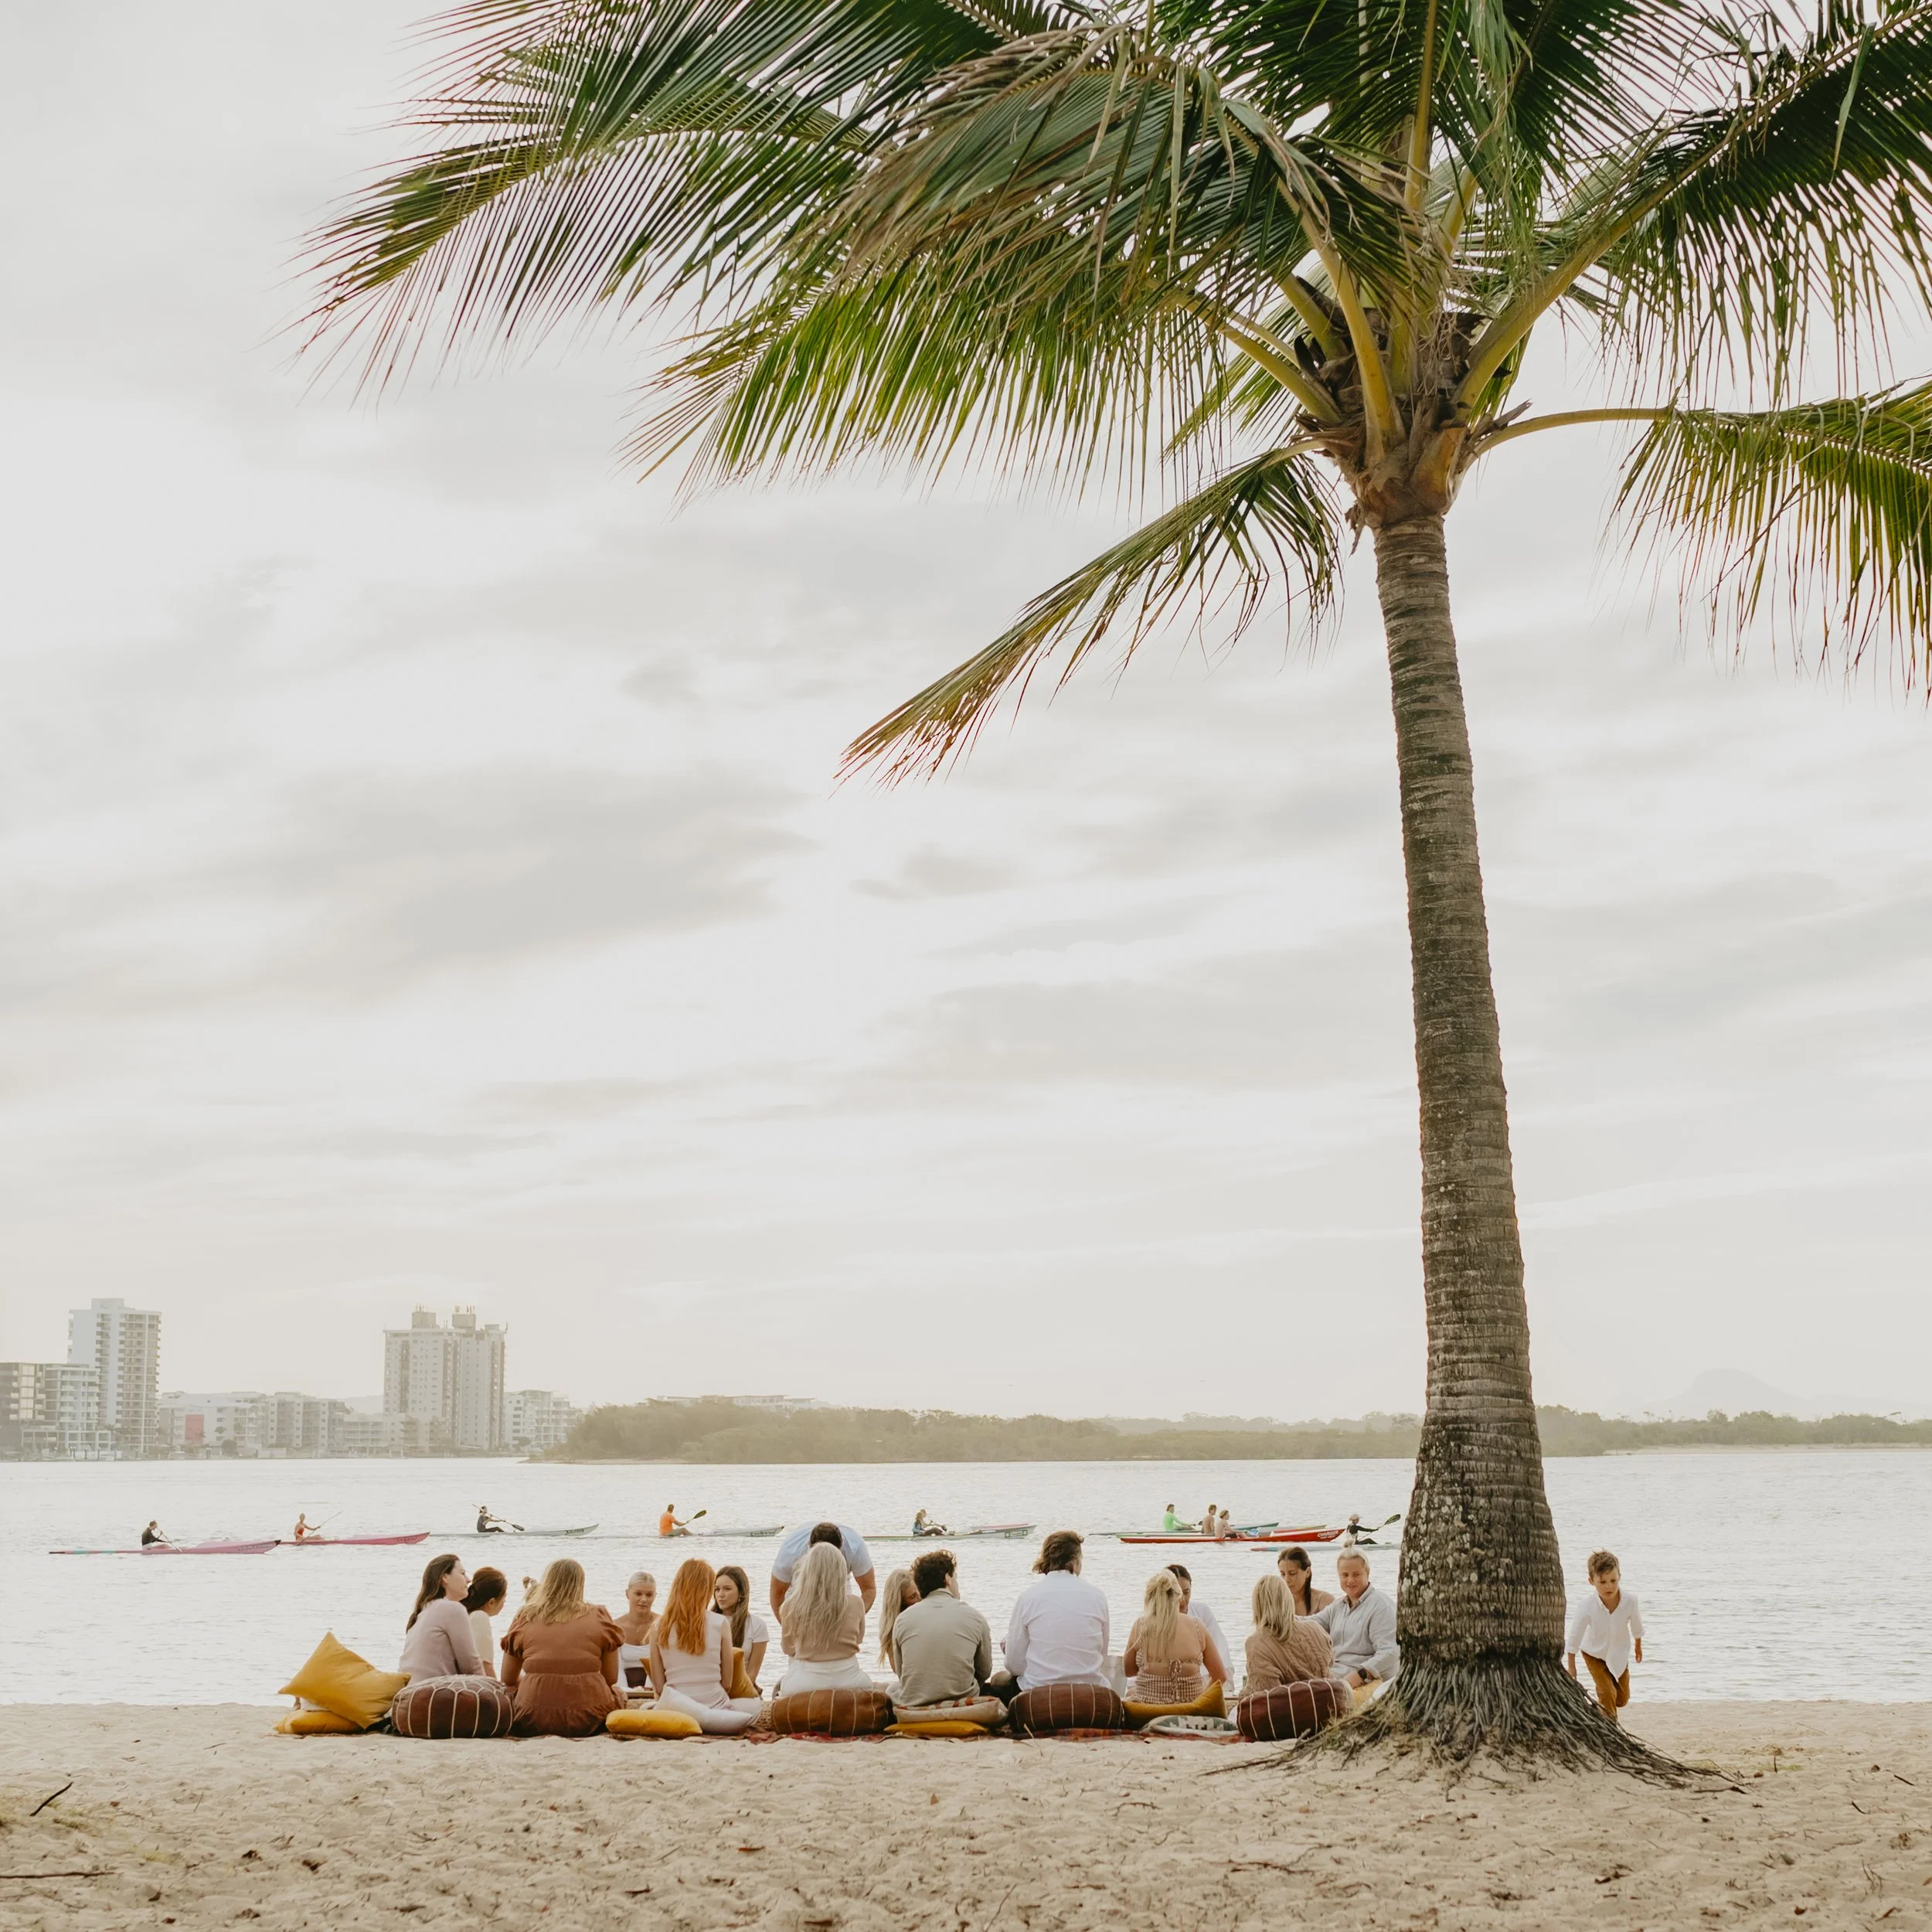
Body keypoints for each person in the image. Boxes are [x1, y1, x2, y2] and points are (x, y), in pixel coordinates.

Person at [499, 1558, 623, 1736]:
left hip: (532, 1716)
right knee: (617, 1693)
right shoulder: (599, 1615)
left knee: (511, 1692)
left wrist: (537, 1679)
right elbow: (610, 1678)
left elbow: (508, 1679)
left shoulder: (525, 1617)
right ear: (580, 1584)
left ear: (547, 1582)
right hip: (590, 1716)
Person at [989, 1530, 1111, 1702]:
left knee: (998, 1681)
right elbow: (1101, 1656)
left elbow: (1014, 1665)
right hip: (1090, 1691)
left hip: (1037, 1693)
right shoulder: (1098, 1596)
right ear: (1075, 1561)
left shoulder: (1028, 1597)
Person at [651, 1557, 764, 1733]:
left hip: (676, 1708)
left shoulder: (658, 1626)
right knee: (754, 1706)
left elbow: (659, 1686)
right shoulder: (720, 1623)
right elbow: (727, 1684)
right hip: (715, 1708)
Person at [890, 1548, 993, 1707]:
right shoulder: (975, 1617)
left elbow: (902, 1673)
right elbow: (985, 1671)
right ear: (948, 1579)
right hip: (961, 1703)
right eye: (955, 1578)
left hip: (916, 1705)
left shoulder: (902, 1620)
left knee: (891, 1689)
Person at [776, 1540, 873, 1694]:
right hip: (851, 1678)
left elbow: (788, 1648)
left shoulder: (791, 1606)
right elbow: (858, 1640)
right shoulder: (856, 1603)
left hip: (806, 1683)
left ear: (807, 1571)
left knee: (784, 1682)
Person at [1566, 1549, 1644, 1723]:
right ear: (1591, 1581)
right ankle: (1611, 1727)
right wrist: (1571, 1667)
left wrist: (1638, 1647)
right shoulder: (1587, 1606)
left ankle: (1600, 1706)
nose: (1609, 1586)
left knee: (1621, 1699)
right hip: (1593, 1653)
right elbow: (1575, 1637)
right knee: (1608, 1693)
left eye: (1613, 1581)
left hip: (1619, 1654)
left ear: (1619, 1577)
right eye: (1602, 1582)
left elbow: (1636, 1626)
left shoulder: (1630, 1601)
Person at [1124, 1570, 1225, 1704]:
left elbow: (1129, 1671)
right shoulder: (1197, 1626)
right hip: (1189, 1708)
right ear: (1179, 1597)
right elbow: (1220, 1676)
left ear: (1149, 1599)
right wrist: (1200, 1701)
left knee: (1130, 1693)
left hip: (1150, 1709)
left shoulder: (1141, 1626)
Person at [1313, 1552, 1400, 1689]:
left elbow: (1390, 1652)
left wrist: (1361, 1674)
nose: (1350, 1580)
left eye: (1356, 1575)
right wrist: (1279, 1617)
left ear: (1367, 1573)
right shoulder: (1339, 1606)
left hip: (1364, 1680)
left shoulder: (1381, 1606)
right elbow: (1311, 1623)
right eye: (1345, 1575)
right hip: (1335, 1673)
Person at [1241, 1571, 1335, 1694]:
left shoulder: (1257, 1645)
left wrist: (1245, 1692)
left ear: (1258, 1606)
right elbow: (1330, 1662)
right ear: (1288, 1599)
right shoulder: (1315, 1628)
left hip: (1293, 1705)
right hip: (1330, 1701)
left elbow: (1268, 1697)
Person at [400, 1554, 485, 1682]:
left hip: (409, 1689)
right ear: (445, 1577)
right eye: (462, 1573)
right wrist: (492, 1689)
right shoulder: (453, 1609)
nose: (468, 1580)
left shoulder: (423, 1612)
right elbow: (471, 1665)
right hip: (433, 1690)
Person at [768, 1519, 876, 1615]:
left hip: (840, 1578)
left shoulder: (855, 1547)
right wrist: (788, 1628)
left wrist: (853, 1619)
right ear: (809, 1545)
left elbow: (869, 1589)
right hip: (801, 1580)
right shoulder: (791, 1552)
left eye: (832, 1557)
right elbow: (777, 1594)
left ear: (842, 1546)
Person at [1165, 1565, 1234, 1687]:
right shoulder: (1153, 1620)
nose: (1183, 1599)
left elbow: (1220, 1650)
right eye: (1177, 1594)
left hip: (1203, 1677)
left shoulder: (1202, 1612)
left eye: (1187, 1592)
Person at [713, 1565, 770, 1692]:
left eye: (727, 1589)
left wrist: (735, 1693)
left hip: (741, 1689)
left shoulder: (757, 1625)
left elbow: (752, 1673)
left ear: (741, 1592)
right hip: (712, 1689)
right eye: (717, 1589)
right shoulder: (707, 1621)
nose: (721, 1595)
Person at [614, 1571, 658, 1690]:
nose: (644, 1599)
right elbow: (616, 1668)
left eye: (649, 1595)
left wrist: (647, 1691)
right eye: (638, 1594)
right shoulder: (615, 1627)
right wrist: (626, 1692)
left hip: (655, 1686)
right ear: (627, 1594)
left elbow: (659, 1665)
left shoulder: (662, 1625)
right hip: (623, 1688)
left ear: (655, 1596)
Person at [464, 1566, 509, 1679]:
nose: (505, 1602)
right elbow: (485, 1665)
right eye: (504, 1598)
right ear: (492, 1602)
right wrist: (498, 1688)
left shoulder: (467, 1615)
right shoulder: (480, 1617)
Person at [876, 1567, 920, 1670]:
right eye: (913, 1596)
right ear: (900, 1604)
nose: (920, 1598)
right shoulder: (892, 1630)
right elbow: (897, 1668)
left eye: (919, 1591)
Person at [1277, 1545, 1334, 1617]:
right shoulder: (1277, 1603)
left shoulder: (1324, 1600)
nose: (1286, 1580)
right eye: (1283, 1574)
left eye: (1292, 1573)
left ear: (1307, 1572)